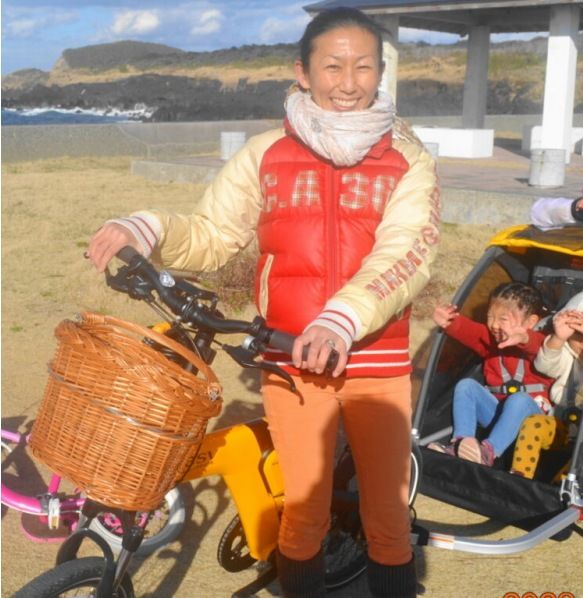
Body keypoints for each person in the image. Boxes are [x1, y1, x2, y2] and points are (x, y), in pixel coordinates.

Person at [87, 8, 439, 597]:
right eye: (333, 66)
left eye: (363, 67)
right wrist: (146, 227)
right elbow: (212, 235)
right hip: (292, 362)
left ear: (381, 74)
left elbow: (408, 255)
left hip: (377, 363)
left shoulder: (408, 159)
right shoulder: (265, 154)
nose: (349, 82)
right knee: (303, 515)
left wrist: (341, 318)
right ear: (302, 72)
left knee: (388, 518)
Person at [427, 282, 553, 467]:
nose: (494, 325)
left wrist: (524, 337)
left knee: (519, 400)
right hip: (497, 414)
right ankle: (461, 444)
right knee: (466, 386)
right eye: (490, 317)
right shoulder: (492, 340)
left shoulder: (543, 347)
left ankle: (487, 453)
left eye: (502, 319)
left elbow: (538, 345)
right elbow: (468, 331)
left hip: (531, 421)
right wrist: (448, 321)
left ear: (531, 322)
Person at [511, 287, 583, 479]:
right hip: (563, 425)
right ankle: (519, 476)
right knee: (534, 425)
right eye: (578, 337)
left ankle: (560, 486)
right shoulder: (568, 354)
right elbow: (545, 365)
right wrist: (558, 338)